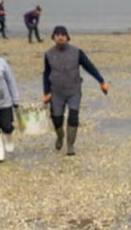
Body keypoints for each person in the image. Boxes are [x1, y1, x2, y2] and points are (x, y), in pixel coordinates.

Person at [42, 25, 108, 156]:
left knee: (73, 117)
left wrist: (101, 81)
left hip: (74, 90)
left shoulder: (77, 52)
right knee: (56, 118)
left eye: (63, 35)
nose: (60, 37)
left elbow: (89, 66)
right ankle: (60, 136)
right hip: (56, 92)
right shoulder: (48, 54)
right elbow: (46, 73)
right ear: (53, 37)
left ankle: (70, 145)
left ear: (67, 37)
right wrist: (46, 92)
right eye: (57, 35)